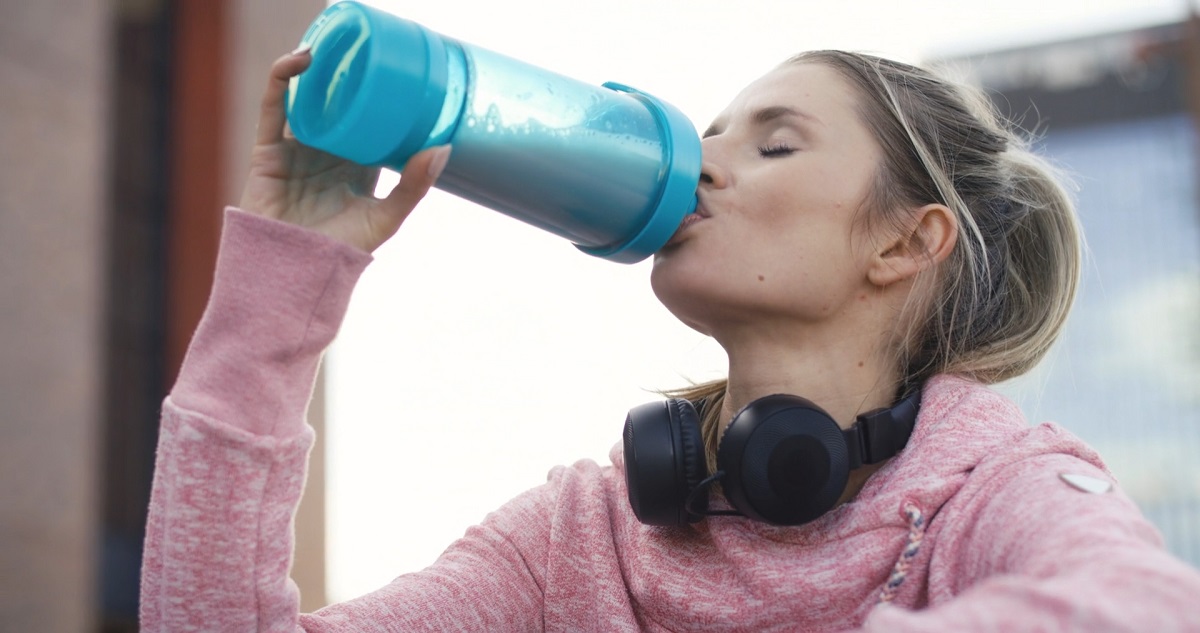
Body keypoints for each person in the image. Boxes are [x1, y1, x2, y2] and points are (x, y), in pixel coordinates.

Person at [139, 45, 1200, 632]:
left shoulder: (997, 494)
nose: (702, 162)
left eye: (775, 143)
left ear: (902, 241)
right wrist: (284, 271)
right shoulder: (584, 537)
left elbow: (1147, 610)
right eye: (710, 132)